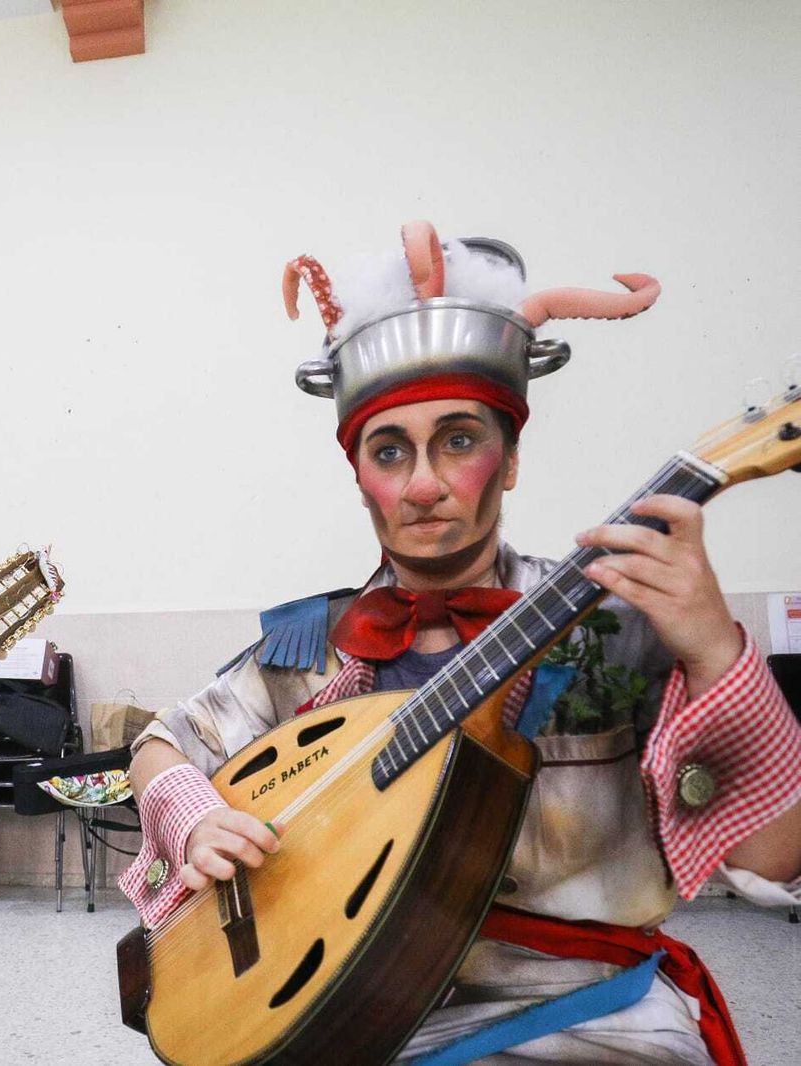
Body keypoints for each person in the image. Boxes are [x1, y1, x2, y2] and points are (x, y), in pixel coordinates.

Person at [121, 221, 801, 1064]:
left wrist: (713, 654)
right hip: (356, 1010)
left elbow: (771, 862)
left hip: (596, 1020)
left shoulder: (622, 629)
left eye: (459, 441)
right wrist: (195, 821)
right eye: (389, 452)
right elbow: (162, 744)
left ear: (510, 459)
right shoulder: (311, 646)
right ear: (359, 478)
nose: (423, 485)